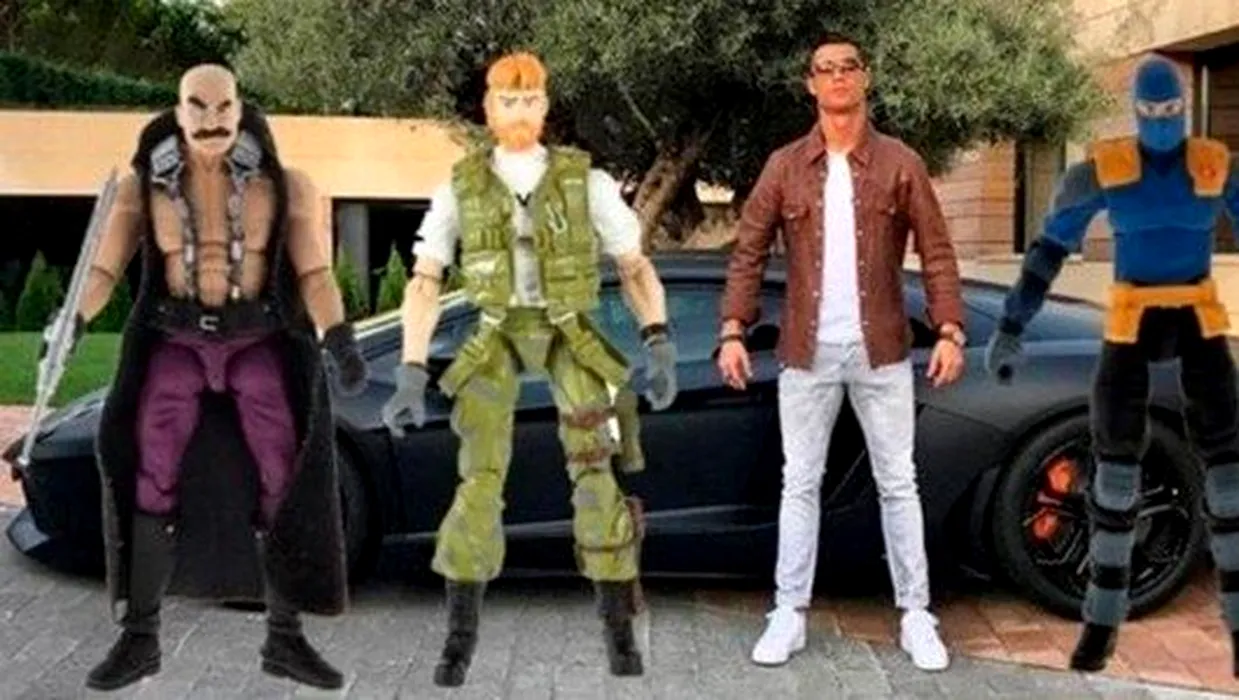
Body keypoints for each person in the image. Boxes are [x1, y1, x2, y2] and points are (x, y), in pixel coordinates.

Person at [51, 64, 366, 691]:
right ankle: (140, 637)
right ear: (178, 111)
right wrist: (72, 321)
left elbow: (313, 273)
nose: (212, 119)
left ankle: (285, 637)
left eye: (224, 106)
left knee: (283, 471)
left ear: (241, 109)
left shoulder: (286, 186)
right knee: (152, 466)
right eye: (197, 106)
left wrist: (338, 335)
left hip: (256, 339)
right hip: (177, 339)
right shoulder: (143, 188)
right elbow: (104, 270)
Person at [379, 51, 678, 687]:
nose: (519, 110)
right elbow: (425, 280)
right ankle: (458, 640)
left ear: (545, 106)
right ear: (489, 108)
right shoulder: (460, 186)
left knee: (595, 472)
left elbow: (634, 266)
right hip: (494, 332)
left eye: (530, 99)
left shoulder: (587, 182)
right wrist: (410, 368)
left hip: (569, 329)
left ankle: (619, 635)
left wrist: (658, 341)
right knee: (478, 478)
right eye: (507, 99)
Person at [717, 31, 966, 672]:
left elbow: (937, 250)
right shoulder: (784, 166)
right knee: (799, 483)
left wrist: (949, 329)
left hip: (882, 351)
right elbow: (748, 251)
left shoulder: (900, 162)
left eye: (847, 67)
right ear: (810, 84)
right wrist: (733, 329)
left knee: (898, 482)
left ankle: (916, 615)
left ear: (864, 77)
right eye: (824, 69)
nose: (836, 77)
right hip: (807, 354)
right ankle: (788, 613)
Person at [985, 55, 1239, 674]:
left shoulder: (1215, 164)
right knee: (1115, 474)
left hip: (1198, 312)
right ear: (1137, 112)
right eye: (1153, 111)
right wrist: (1012, 323)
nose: (1163, 120)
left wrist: (1013, 324)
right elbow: (1048, 249)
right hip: (1131, 316)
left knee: (1229, 477)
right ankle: (1100, 625)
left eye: (1171, 110)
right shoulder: (1105, 167)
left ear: (1184, 109)